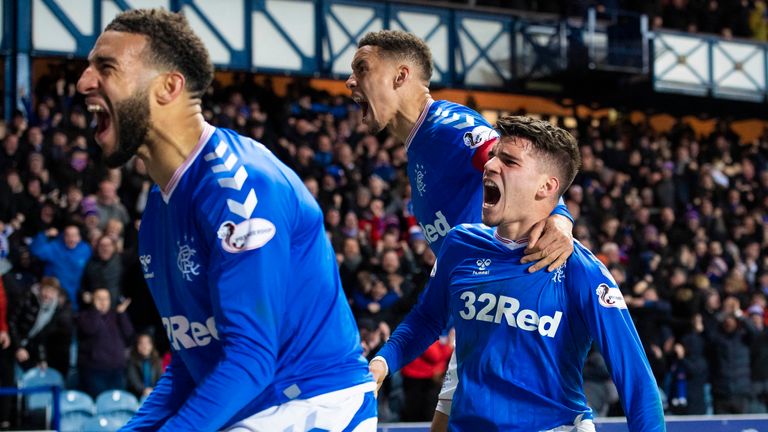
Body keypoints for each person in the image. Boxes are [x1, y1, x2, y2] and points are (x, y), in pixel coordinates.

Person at [77, 9, 375, 431]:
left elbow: (251, 359)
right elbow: (190, 361)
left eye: (105, 67)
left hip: (312, 405)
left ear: (168, 87)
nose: (83, 82)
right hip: (255, 408)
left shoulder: (239, 190)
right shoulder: (157, 216)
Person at [369, 116, 665, 431]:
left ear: (546, 187)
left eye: (508, 161)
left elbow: (636, 381)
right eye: (494, 155)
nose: (490, 165)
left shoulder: (580, 269)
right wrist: (383, 362)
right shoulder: (460, 244)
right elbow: (427, 318)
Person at [346, 29, 575, 428]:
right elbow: (431, 311)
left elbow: (525, 170)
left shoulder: (449, 126)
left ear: (401, 76)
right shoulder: (421, 146)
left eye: (362, 69)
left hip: (514, 315)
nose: (350, 81)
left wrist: (561, 218)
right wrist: (382, 365)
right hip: (477, 321)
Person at [77, 288, 134, 398]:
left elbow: (129, 334)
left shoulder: (117, 315)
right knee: (100, 405)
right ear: (93, 300)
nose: (103, 302)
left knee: (118, 407)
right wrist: (95, 311)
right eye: (99, 298)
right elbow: (90, 329)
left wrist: (122, 314)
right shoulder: (84, 316)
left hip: (117, 370)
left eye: (106, 299)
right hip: (94, 371)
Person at [126, 333, 163, 399]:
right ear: (137, 346)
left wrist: (154, 391)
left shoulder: (157, 361)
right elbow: (134, 380)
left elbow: (161, 379)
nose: (144, 346)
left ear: (151, 345)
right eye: (141, 343)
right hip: (137, 396)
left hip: (155, 393)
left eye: (147, 343)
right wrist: (144, 390)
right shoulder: (132, 361)